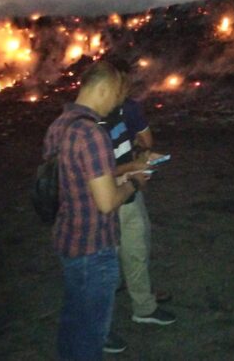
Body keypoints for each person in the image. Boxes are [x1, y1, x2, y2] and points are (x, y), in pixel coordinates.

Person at [42, 61, 147, 361]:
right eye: (115, 94)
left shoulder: (58, 125)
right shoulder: (92, 133)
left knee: (73, 319)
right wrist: (135, 183)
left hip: (67, 237)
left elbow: (76, 180)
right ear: (101, 89)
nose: (117, 102)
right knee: (91, 334)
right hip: (93, 246)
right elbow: (106, 202)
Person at [102, 58, 176, 330]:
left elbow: (145, 141)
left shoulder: (127, 108)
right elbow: (95, 173)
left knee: (137, 248)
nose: (126, 91)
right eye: (121, 85)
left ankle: (144, 306)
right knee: (106, 260)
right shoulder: (91, 122)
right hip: (107, 194)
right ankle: (102, 327)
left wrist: (142, 159)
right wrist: (133, 167)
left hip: (130, 187)